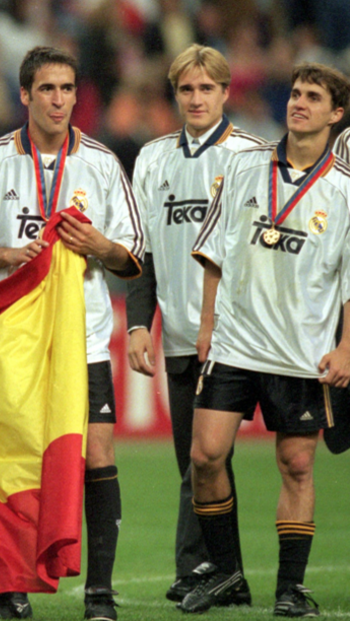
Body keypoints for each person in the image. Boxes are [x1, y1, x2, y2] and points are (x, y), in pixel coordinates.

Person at [0, 46, 143, 621]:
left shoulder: (103, 164)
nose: (59, 100)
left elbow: (131, 257)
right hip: (13, 340)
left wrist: (100, 248)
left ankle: (101, 594)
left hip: (80, 340)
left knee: (97, 454)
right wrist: (14, 254)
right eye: (48, 89)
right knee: (14, 461)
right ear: (25, 96)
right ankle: (10, 589)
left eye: (67, 89)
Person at [183, 62, 350, 617]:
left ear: (336, 114)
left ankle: (290, 588)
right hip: (234, 341)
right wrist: (207, 325)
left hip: (301, 352)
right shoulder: (244, 166)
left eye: (312, 97)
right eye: (295, 93)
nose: (298, 103)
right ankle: (228, 573)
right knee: (205, 456)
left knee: (296, 466)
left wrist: (347, 348)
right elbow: (213, 253)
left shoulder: (345, 191)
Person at [126, 44, 264, 605]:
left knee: (212, 458)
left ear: (226, 93)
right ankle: (217, 569)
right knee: (193, 461)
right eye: (187, 89)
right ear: (175, 93)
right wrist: (140, 325)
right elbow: (142, 254)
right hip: (181, 334)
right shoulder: (153, 158)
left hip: (235, 338)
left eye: (208, 88)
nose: (197, 98)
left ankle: (202, 567)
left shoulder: (252, 156)